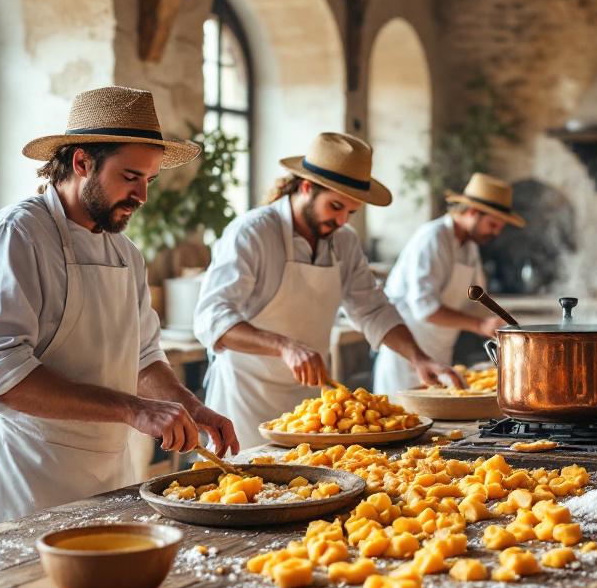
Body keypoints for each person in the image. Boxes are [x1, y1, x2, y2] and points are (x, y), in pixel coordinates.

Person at [0, 86, 238, 535]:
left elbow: (143, 357)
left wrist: (191, 407)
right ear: (82, 162)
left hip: (109, 470)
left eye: (149, 181)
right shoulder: (18, 234)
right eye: (130, 176)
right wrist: (134, 410)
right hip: (26, 472)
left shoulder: (125, 253)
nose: (142, 195)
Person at [193, 132, 461, 446]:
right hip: (246, 398)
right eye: (335, 206)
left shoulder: (344, 241)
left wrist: (419, 358)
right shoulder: (252, 233)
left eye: (351, 212)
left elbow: (373, 309)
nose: (341, 220)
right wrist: (285, 347)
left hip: (311, 406)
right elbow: (211, 319)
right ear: (306, 187)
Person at [372, 173, 524, 395]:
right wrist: (480, 326)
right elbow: (425, 308)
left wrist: (499, 319)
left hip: (440, 353)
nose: (496, 233)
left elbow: (476, 300)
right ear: (472, 212)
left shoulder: (469, 248)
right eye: (492, 224)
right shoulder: (432, 238)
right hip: (405, 356)